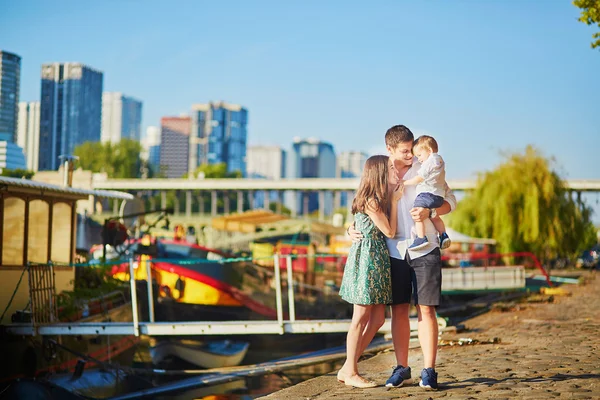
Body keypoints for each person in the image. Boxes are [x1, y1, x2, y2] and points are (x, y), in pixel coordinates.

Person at [348, 125, 457, 391]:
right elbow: (362, 204)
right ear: (390, 150)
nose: (410, 156)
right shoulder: (379, 172)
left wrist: (430, 214)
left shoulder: (426, 167)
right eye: (404, 152)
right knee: (398, 310)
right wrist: (350, 228)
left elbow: (451, 201)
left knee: (426, 309)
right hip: (393, 251)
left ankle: (429, 370)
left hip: (425, 247)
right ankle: (402, 368)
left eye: (411, 151)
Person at [337, 155, 403, 388]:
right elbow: (390, 231)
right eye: (389, 169)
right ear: (379, 173)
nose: (393, 171)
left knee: (377, 319)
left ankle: (347, 366)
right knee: (360, 318)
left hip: (376, 260)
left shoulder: (374, 199)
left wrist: (349, 228)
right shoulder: (372, 201)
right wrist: (395, 202)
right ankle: (351, 371)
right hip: (367, 260)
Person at [401, 135, 451, 251]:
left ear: (429, 150)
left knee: (417, 214)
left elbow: (420, 178)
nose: (418, 159)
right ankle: (443, 234)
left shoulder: (431, 160)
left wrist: (405, 182)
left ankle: (421, 238)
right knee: (434, 216)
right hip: (438, 196)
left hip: (427, 194)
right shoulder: (439, 161)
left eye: (419, 155)